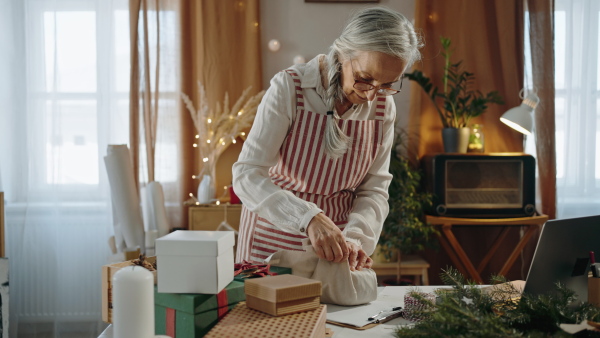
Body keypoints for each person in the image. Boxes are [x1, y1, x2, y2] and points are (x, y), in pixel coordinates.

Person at [232, 7, 422, 272]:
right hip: (271, 244)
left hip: (335, 250)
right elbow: (247, 174)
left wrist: (356, 239)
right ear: (343, 53)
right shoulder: (290, 88)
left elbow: (374, 189)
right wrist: (308, 218)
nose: (371, 96)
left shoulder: (382, 107)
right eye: (365, 79)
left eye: (387, 85)